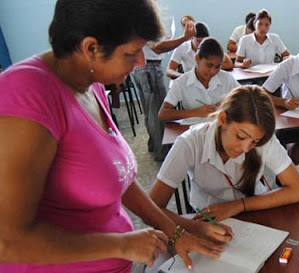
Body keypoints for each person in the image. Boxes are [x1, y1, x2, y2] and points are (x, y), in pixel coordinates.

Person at [0, 0, 234, 272]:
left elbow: (119, 178)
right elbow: (8, 242)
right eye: (132, 53)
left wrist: (180, 230)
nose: (141, 61)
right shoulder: (26, 99)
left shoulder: (91, 83)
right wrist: (120, 245)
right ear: (91, 48)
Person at [150, 85, 299, 222]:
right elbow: (152, 209)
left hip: (254, 208)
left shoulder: (264, 139)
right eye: (240, 136)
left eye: (255, 142)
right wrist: (193, 228)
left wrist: (238, 206)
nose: (246, 148)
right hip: (206, 215)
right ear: (222, 119)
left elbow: (297, 190)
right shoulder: (190, 143)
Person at [130, 13, 196, 161]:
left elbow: (155, 45)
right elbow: (157, 48)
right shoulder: (146, 18)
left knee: (150, 110)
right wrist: (184, 38)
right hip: (149, 68)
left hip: (143, 68)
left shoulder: (140, 16)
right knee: (156, 112)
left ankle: (154, 144)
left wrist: (171, 41)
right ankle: (163, 152)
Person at [159, 38, 240, 121]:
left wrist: (225, 104)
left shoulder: (226, 78)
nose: (213, 71)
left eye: (217, 66)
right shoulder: (181, 83)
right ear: (197, 59)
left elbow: (244, 95)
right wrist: (195, 112)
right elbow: (163, 114)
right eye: (209, 65)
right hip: (193, 130)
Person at [166, 22, 233, 80]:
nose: (201, 44)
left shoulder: (210, 46)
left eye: (204, 41)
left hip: (210, 79)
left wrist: (211, 66)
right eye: (198, 41)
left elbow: (229, 65)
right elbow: (169, 71)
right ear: (191, 38)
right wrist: (182, 76)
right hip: (190, 80)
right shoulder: (182, 47)